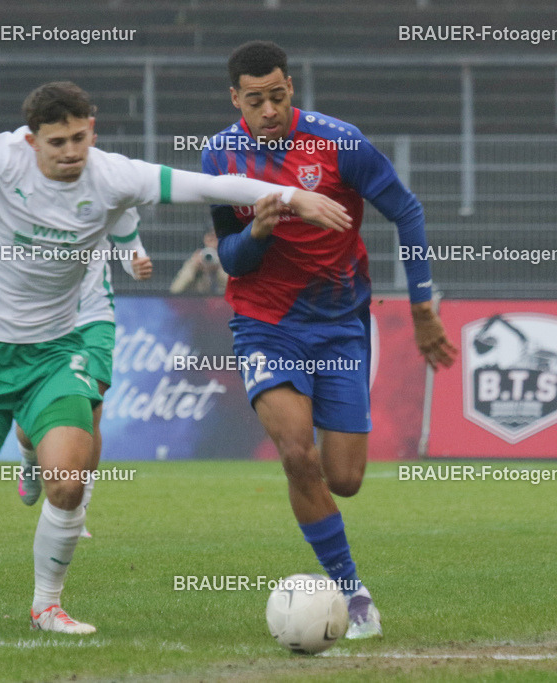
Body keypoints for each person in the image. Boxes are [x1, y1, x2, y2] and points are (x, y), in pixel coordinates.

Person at [0, 81, 351, 634]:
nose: (71, 152)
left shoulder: (113, 174)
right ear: (31, 142)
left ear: (91, 130)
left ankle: (47, 604)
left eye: (79, 137)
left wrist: (289, 196)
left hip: (58, 351)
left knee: (70, 482)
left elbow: (206, 184)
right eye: (57, 143)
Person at [202, 41, 458, 639]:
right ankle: (350, 589)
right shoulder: (219, 157)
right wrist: (260, 230)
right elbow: (233, 261)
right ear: (235, 98)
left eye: (278, 95)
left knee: (344, 478)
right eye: (255, 100)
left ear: (291, 86)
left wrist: (422, 307)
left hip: (342, 321)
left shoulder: (339, 142)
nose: (269, 109)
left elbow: (408, 211)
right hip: (265, 321)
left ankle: (339, 571)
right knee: (297, 454)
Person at [16, 204, 153, 543]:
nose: (71, 150)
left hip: (93, 318)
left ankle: (75, 512)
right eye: (60, 144)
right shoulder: (19, 184)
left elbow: (129, 247)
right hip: (40, 319)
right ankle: (30, 459)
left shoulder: (112, 187)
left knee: (90, 408)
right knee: (31, 421)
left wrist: (137, 265)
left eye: (80, 144)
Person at [169, 229, 228, 295]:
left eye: (217, 237)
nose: (213, 241)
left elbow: (234, 289)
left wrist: (220, 269)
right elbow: (175, 290)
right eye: (211, 237)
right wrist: (194, 268)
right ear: (205, 239)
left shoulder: (229, 261)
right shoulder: (197, 261)